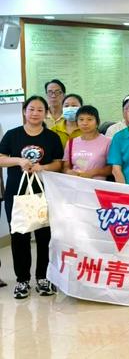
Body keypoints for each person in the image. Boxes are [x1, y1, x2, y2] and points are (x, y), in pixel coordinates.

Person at [0, 95, 64, 299]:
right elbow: (1, 159)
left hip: (44, 193)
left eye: (39, 110)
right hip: (16, 194)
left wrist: (42, 167)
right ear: (24, 112)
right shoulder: (12, 135)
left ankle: (43, 278)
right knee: (19, 236)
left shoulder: (51, 137)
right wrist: (19, 161)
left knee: (45, 236)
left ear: (45, 113)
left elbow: (58, 163)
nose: (35, 113)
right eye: (31, 109)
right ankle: (22, 280)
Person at [62, 105, 112, 180]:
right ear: (77, 122)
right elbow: (65, 167)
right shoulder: (71, 142)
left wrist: (94, 172)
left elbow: (112, 168)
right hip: (74, 185)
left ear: (97, 122)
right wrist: (68, 171)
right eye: (81, 119)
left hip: (96, 187)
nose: (85, 123)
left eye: (89, 119)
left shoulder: (108, 141)